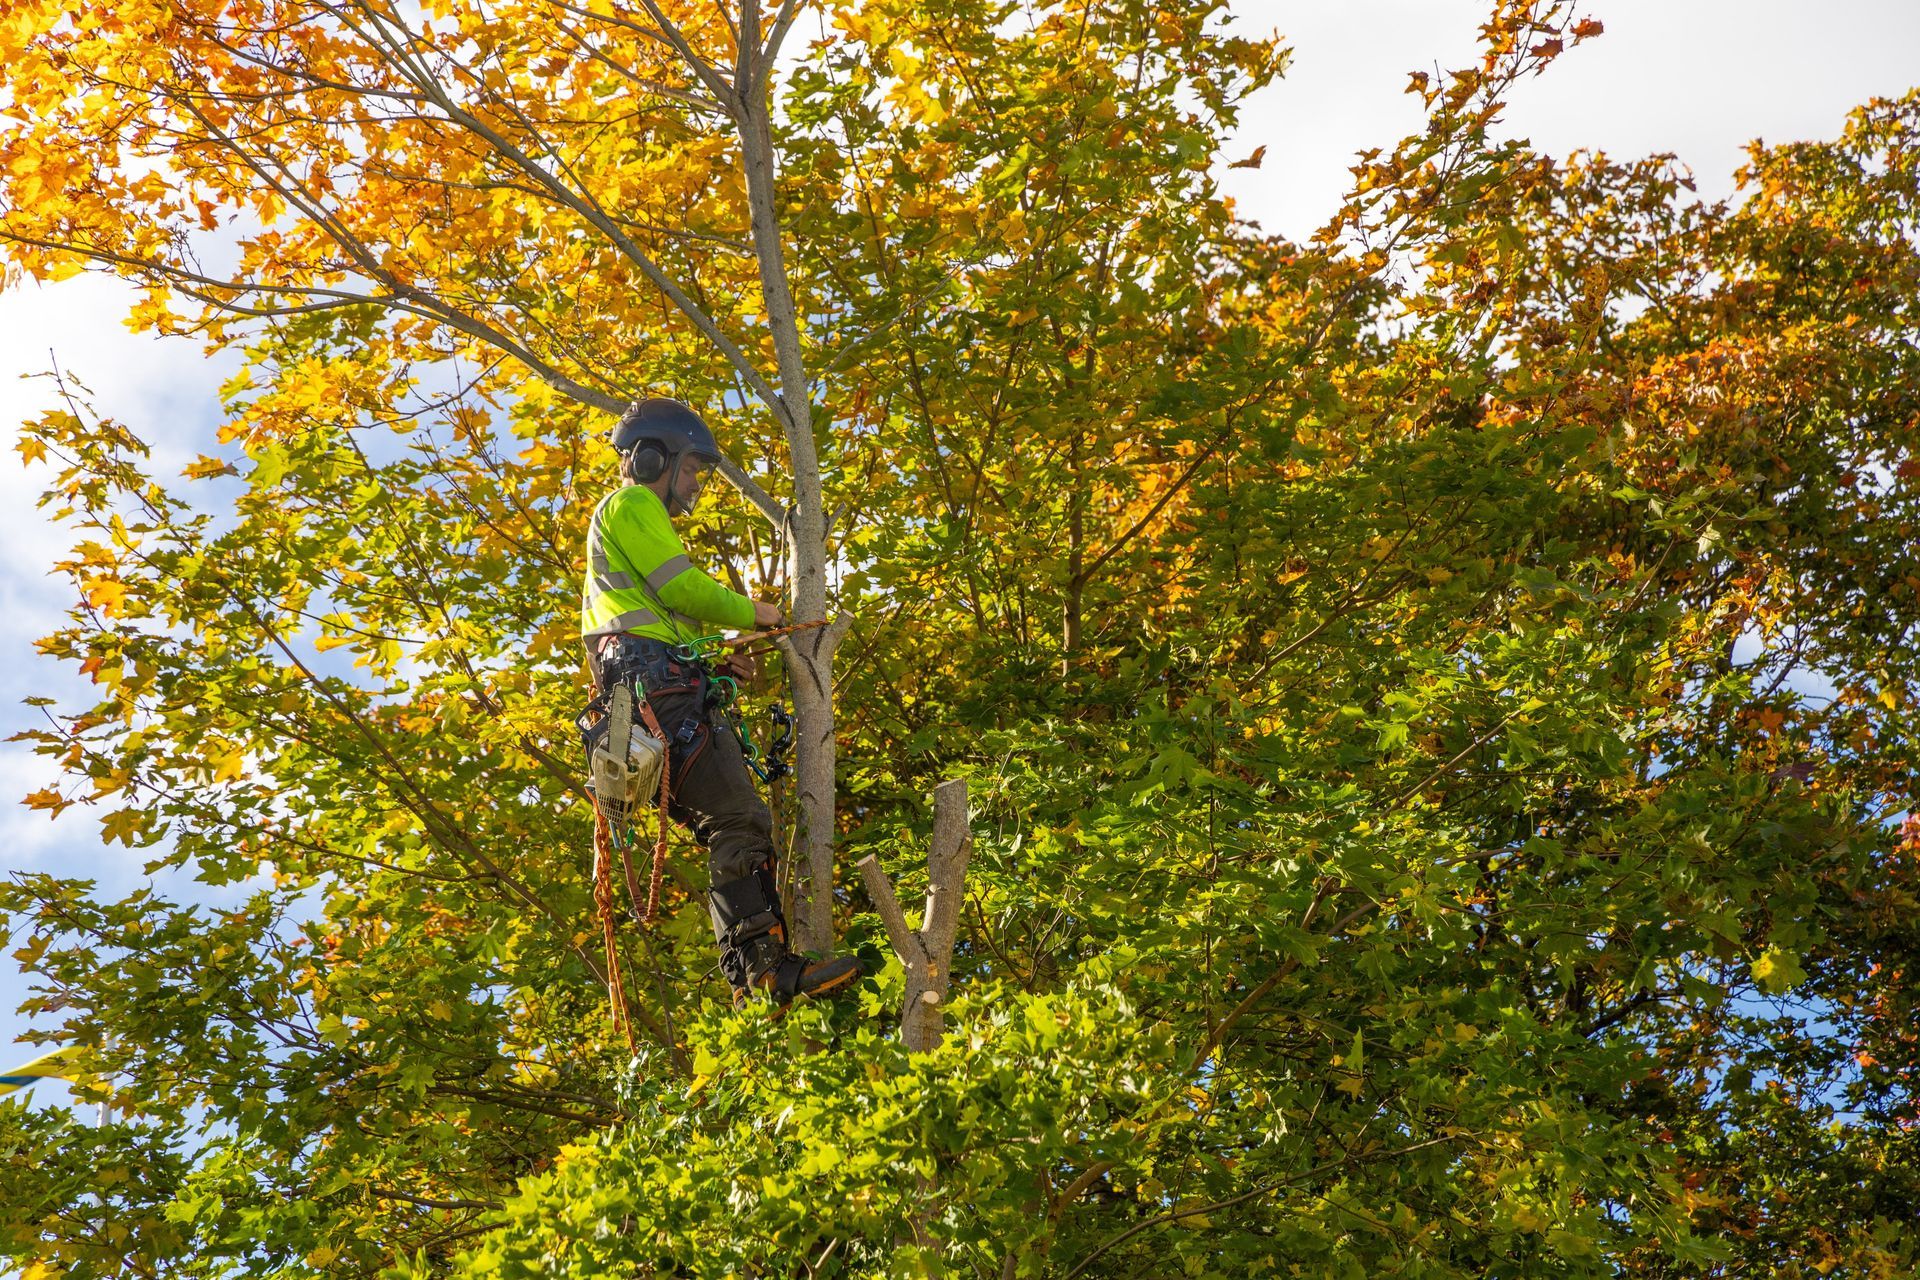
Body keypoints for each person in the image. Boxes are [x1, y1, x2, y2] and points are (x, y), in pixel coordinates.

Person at [580, 398, 861, 1007]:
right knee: (738, 818)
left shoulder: (630, 534)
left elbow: (664, 620)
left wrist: (714, 657)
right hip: (655, 694)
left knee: (729, 822)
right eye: (689, 470)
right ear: (654, 458)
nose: (694, 484)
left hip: (653, 692)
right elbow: (682, 586)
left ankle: (751, 980)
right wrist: (753, 612)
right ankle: (762, 970)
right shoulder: (630, 504)